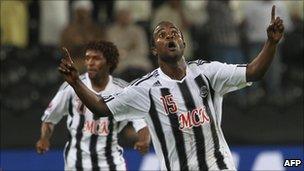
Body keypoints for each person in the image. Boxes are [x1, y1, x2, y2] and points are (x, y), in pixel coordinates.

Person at [58, 6, 284, 171]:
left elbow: (253, 72)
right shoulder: (145, 89)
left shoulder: (207, 72)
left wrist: (271, 44)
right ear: (154, 49)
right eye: (161, 35)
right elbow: (100, 108)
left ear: (183, 43)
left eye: (174, 33)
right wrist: (76, 82)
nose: (169, 37)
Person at [36, 41, 150, 171]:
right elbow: (50, 118)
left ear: (110, 62)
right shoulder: (71, 87)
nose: (90, 62)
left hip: (111, 164)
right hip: (76, 164)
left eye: (96, 59)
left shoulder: (122, 90)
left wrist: (144, 140)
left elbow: (141, 122)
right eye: (88, 58)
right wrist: (44, 138)